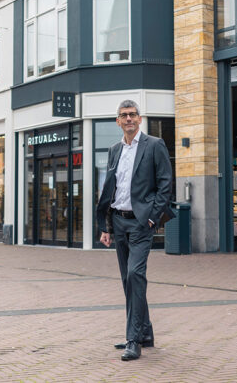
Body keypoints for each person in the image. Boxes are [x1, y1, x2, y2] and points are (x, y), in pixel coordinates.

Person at [96, 99, 172, 361]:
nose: (128, 119)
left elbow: (165, 184)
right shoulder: (114, 150)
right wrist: (106, 226)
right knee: (128, 280)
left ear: (140, 119)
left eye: (132, 115)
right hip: (118, 220)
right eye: (123, 115)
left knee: (135, 275)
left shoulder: (154, 145)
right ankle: (145, 331)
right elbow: (110, 190)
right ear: (118, 121)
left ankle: (134, 339)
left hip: (141, 223)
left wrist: (152, 218)